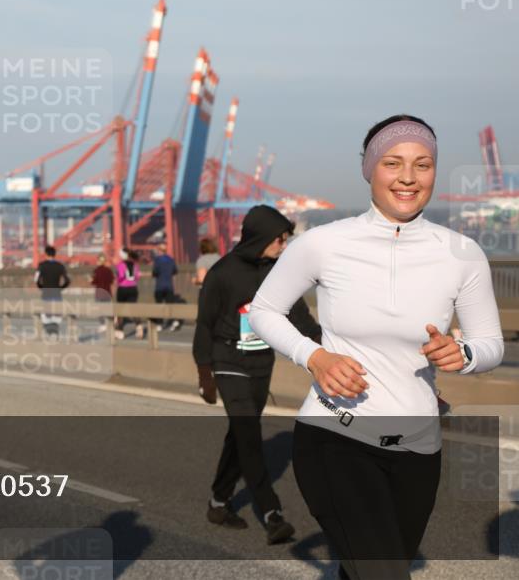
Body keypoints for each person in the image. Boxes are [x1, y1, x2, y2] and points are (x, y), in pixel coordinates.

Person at [249, 115, 504, 580]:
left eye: (422, 164)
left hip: (419, 449)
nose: (408, 176)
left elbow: (491, 344)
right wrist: (316, 356)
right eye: (393, 162)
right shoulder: (323, 243)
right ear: (370, 169)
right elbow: (263, 310)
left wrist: (463, 355)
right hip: (337, 437)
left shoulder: (461, 253)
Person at [193, 205, 321, 545]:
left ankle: (218, 503)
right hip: (226, 360)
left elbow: (300, 318)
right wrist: (204, 373)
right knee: (249, 434)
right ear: (262, 237)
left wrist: (330, 349)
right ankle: (271, 514)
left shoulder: (279, 274)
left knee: (240, 436)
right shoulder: (222, 273)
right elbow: (204, 324)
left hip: (261, 362)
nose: (283, 245)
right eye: (280, 239)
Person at [35, 245, 70, 338]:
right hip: (57, 293)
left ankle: (48, 333)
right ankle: (55, 332)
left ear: (46, 254)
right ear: (55, 254)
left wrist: (41, 287)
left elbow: (37, 280)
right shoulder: (60, 266)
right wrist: (60, 288)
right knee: (56, 314)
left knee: (46, 314)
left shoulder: (41, 266)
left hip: (46, 294)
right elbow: (67, 280)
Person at [113, 249, 141, 340]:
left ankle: (120, 332)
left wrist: (117, 282)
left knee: (120, 311)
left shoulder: (120, 265)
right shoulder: (135, 265)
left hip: (123, 288)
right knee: (133, 309)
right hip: (133, 288)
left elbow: (120, 277)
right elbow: (137, 277)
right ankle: (139, 326)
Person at [151, 243, 180, 331]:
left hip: (159, 286)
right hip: (169, 286)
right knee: (170, 305)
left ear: (159, 250)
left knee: (159, 305)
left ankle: (159, 324)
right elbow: (175, 271)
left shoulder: (157, 260)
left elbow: (155, 272)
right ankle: (173, 322)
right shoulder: (171, 260)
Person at [89, 254, 115, 333]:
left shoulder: (96, 270)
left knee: (99, 310)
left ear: (99, 261)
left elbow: (94, 282)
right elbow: (111, 281)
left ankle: (103, 325)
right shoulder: (109, 270)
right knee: (108, 309)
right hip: (107, 293)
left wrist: (90, 280)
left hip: (99, 293)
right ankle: (111, 325)